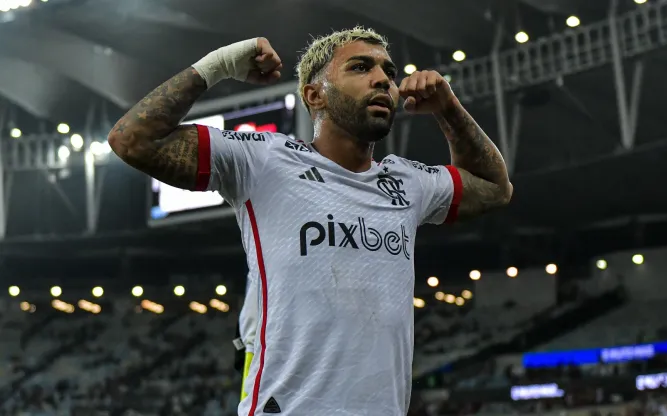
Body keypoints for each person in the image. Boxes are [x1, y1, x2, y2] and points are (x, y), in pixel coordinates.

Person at [108, 26, 512, 416]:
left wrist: (448, 109)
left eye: (389, 73)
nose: (382, 81)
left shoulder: (408, 181)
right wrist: (220, 65)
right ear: (314, 94)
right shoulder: (262, 159)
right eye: (360, 68)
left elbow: (496, 187)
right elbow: (132, 139)